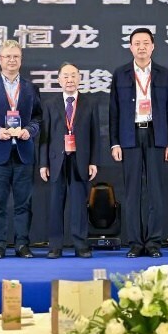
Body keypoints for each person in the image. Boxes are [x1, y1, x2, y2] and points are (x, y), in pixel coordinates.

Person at [108, 28, 168, 258]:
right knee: (132, 192)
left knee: (156, 192)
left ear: (153, 46)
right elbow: (114, 111)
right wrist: (115, 143)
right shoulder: (120, 74)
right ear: (130, 47)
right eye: (137, 43)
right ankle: (136, 243)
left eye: (146, 43)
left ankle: (154, 242)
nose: (141, 47)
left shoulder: (163, 74)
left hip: (157, 136)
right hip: (130, 136)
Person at [0, 40, 42, 259]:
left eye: (16, 56)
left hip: (24, 152)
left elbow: (38, 117)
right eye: (8, 56)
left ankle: (22, 244)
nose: (12, 60)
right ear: (0, 59)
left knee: (24, 203)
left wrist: (29, 130)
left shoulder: (30, 88)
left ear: (21, 59)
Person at [39, 63, 100, 259]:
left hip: (80, 159)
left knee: (79, 204)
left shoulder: (90, 103)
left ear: (80, 78)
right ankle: (55, 245)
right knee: (55, 204)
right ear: (59, 80)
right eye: (65, 76)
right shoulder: (49, 103)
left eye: (73, 75)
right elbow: (44, 136)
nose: (70, 80)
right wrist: (43, 163)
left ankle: (80, 244)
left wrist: (93, 161)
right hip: (56, 160)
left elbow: (95, 135)